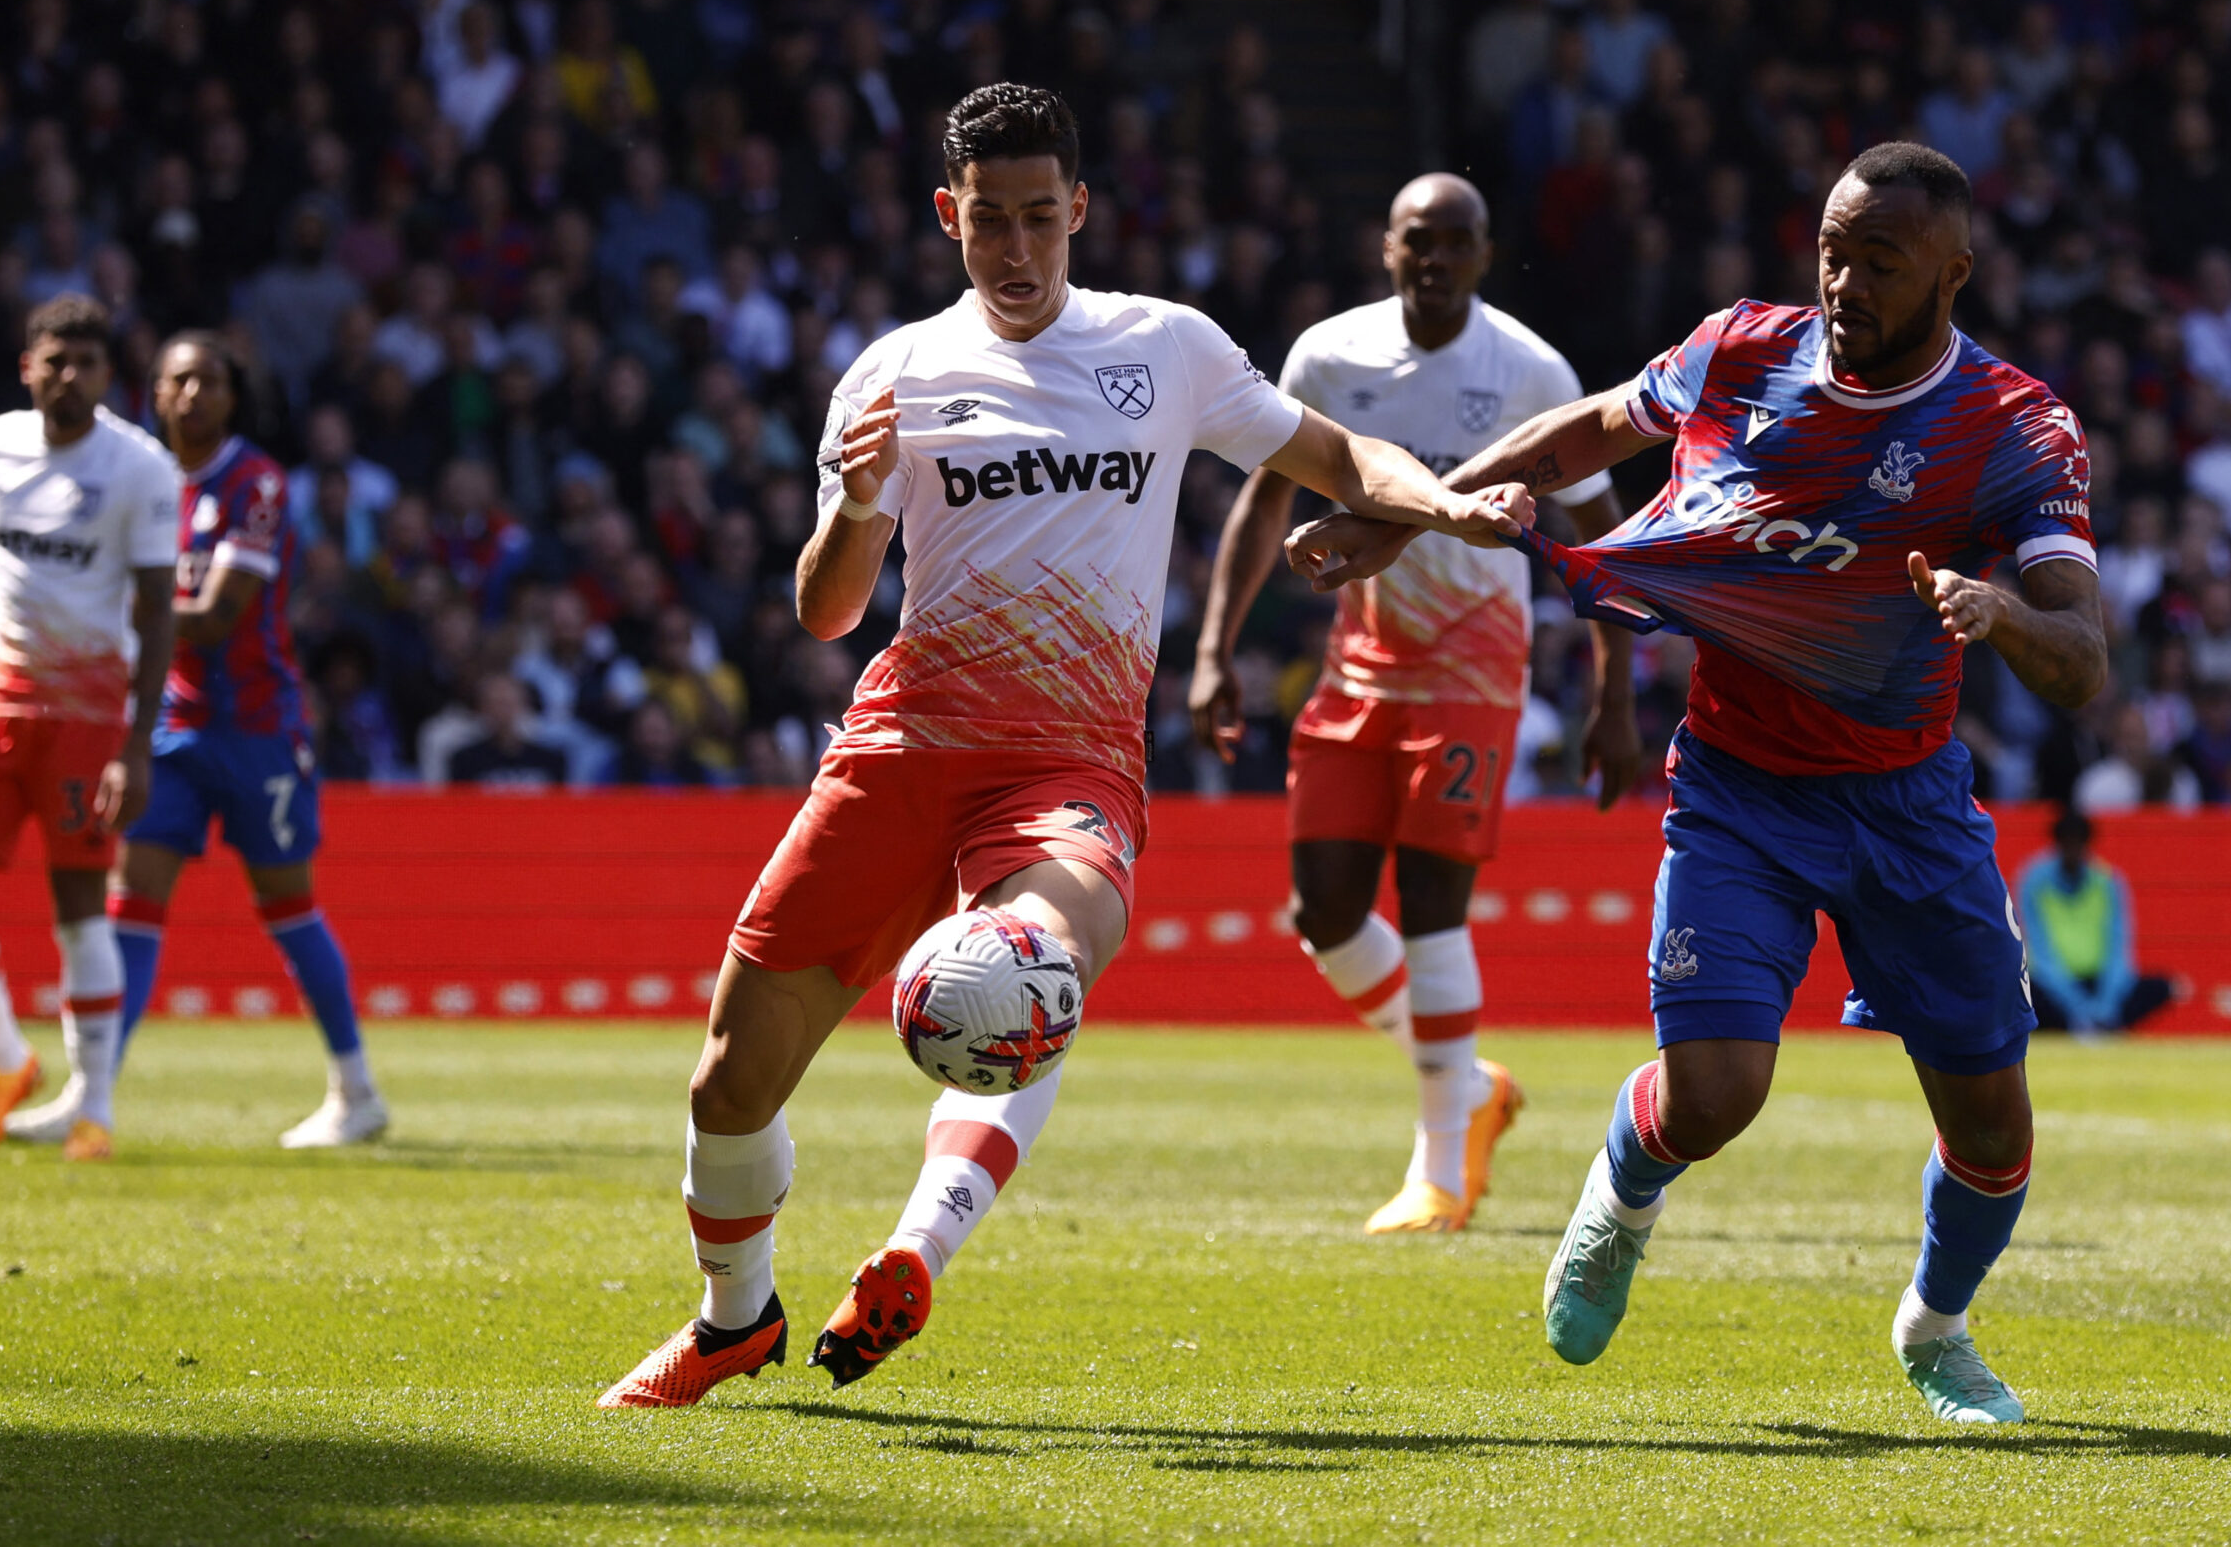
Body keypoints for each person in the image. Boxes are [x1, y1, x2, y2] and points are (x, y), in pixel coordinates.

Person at [598, 84, 1532, 1408]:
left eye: (1043, 218)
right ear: (948, 216)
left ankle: (916, 1249)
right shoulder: (894, 374)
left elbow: (1337, 454)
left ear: (1081, 209)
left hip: (1067, 767)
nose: (1019, 250)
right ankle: (734, 1318)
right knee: (726, 1084)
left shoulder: (1165, 351)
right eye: (991, 223)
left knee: (1036, 966)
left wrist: (1444, 505)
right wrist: (860, 504)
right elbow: (826, 609)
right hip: (901, 746)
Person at [1287, 142, 2105, 1425]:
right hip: (1739, 785)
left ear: (1954, 271)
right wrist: (1409, 516)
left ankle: (1935, 1329)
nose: (1841, 281)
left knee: (1994, 1127)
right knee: (1716, 1091)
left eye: (1877, 262)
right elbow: (1585, 434)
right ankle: (1616, 1204)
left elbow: (2081, 660)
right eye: (1831, 248)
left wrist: (1999, 611)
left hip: (1905, 800)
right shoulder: (1743, 350)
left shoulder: (2012, 429)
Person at [1190, 172, 1640, 1235]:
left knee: (1433, 905)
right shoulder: (1329, 357)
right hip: (1361, 657)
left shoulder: (1531, 369)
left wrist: (1615, 697)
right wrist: (1212, 648)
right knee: (1326, 913)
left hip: (1477, 662)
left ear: (1484, 255)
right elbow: (1265, 501)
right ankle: (1469, 1083)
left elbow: (1601, 535)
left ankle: (1442, 1166)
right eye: (1413, 241)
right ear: (1384, 248)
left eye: (1454, 243)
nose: (1432, 259)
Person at [5, 332, 387, 1151]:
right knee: (131, 905)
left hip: (257, 729)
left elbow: (216, 615)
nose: (191, 395)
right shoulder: (139, 481)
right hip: (169, 730)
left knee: (288, 904)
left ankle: (355, 1089)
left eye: (208, 381)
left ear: (230, 396)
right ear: (154, 391)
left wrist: (90, 603)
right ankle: (90, 1094)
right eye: (178, 380)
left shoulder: (255, 483)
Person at [0, 294, 179, 1161]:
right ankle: (6, 1062)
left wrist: (137, 748)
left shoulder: (140, 471)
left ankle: (91, 1106)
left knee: (79, 914)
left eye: (86, 363)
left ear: (107, 376)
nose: (68, 376)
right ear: (28, 367)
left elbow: (160, 614)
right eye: (53, 360)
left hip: (88, 719)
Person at [2014, 809, 2175, 1035]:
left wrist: (2105, 1004)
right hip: (2054, 988)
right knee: (2017, 993)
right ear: (2056, 845)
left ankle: (2099, 1023)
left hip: (2099, 983)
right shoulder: (2034, 880)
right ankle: (2094, 1026)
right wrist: (2078, 1006)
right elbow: (2040, 952)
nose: (2072, 851)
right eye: (2067, 844)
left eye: (2077, 844)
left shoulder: (2107, 881)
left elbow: (2118, 949)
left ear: (2087, 845)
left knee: (2165, 987)